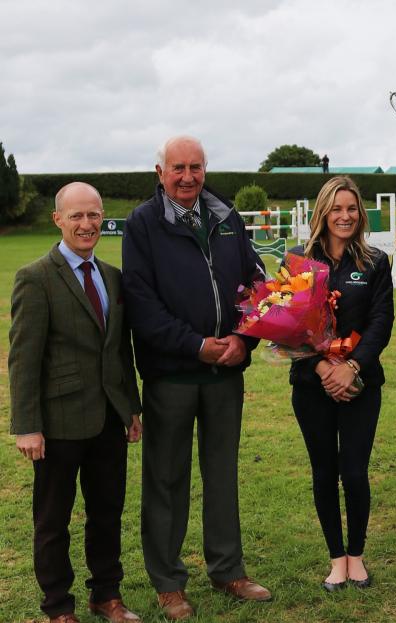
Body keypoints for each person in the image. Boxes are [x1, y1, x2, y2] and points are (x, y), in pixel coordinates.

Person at [121, 136, 270, 620]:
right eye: (178, 168)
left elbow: (256, 284)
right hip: (172, 375)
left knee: (223, 474)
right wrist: (195, 344)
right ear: (160, 172)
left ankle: (228, 569)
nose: (188, 177)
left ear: (206, 169)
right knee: (166, 479)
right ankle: (168, 583)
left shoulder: (226, 216)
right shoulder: (144, 223)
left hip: (226, 372)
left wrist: (244, 340)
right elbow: (141, 304)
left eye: (196, 167)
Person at [9, 182, 143, 623]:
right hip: (59, 421)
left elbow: (120, 350)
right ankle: (58, 607)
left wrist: (131, 408)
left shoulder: (111, 276)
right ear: (58, 220)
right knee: (53, 522)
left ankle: (106, 595)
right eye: (77, 216)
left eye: (94, 215)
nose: (87, 225)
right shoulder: (36, 277)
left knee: (107, 513)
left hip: (108, 418)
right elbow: (23, 359)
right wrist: (27, 426)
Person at [288, 177, 393, 591]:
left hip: (360, 385)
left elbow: (380, 322)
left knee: (354, 472)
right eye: (336, 208)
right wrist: (321, 368)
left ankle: (357, 556)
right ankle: (336, 558)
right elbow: (289, 323)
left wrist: (352, 368)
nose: (344, 216)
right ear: (323, 213)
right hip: (311, 385)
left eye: (351, 208)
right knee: (324, 471)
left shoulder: (375, 262)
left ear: (360, 213)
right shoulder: (298, 260)